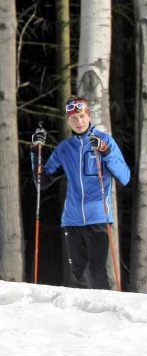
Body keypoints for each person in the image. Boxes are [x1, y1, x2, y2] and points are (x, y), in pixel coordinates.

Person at [30, 96, 131, 290]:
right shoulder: (64, 149)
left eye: (82, 116)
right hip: (72, 219)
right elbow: (41, 182)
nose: (79, 121)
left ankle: (105, 315)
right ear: (68, 121)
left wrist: (106, 152)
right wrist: (36, 151)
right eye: (74, 118)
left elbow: (125, 177)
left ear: (89, 116)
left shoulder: (105, 140)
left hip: (98, 218)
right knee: (78, 273)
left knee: (97, 272)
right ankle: (82, 318)